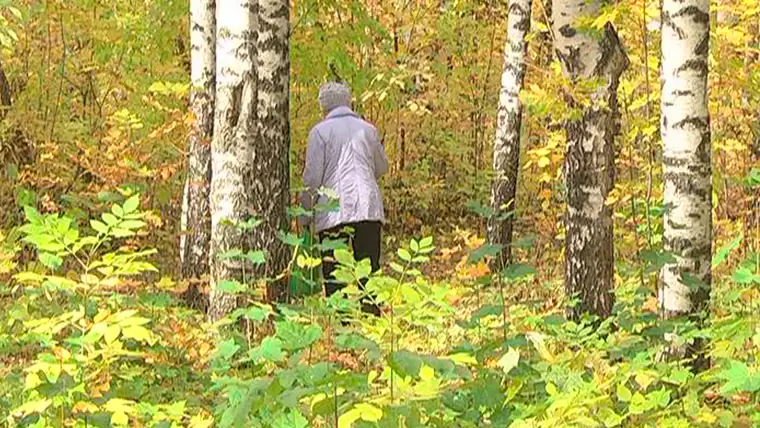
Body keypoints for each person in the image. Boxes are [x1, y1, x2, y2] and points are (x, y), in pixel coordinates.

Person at [301, 82, 388, 315]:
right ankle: (372, 322)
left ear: (323, 106)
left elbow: (312, 179)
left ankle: (342, 329)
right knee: (369, 271)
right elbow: (381, 167)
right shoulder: (368, 130)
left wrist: (305, 216)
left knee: (334, 276)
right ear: (348, 101)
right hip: (368, 208)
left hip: (332, 213)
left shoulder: (319, 133)